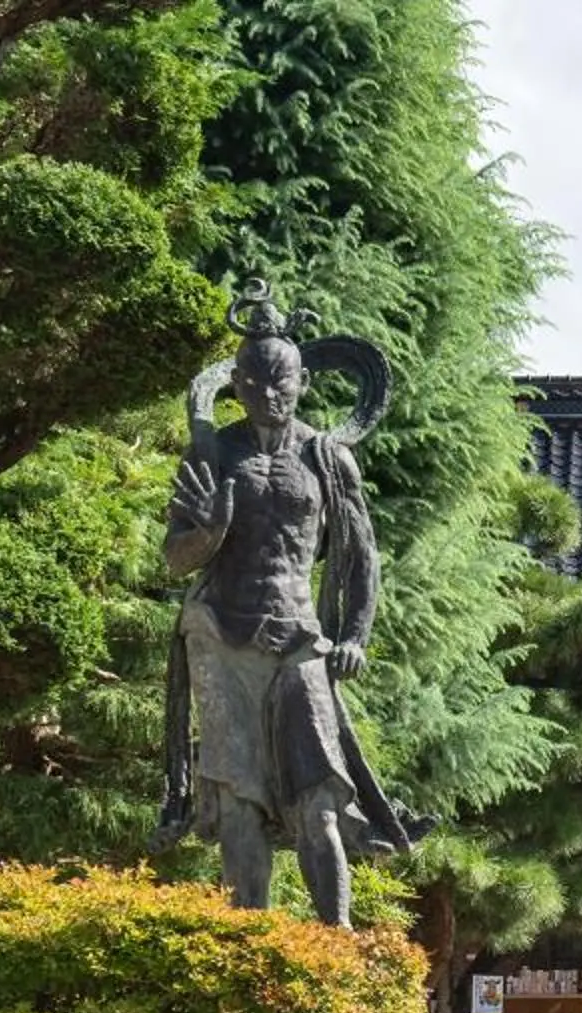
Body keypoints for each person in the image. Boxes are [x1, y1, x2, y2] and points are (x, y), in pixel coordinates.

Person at [159, 300, 424, 926]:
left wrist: (354, 634)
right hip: (222, 633)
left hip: (301, 633)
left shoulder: (329, 460)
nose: (267, 394)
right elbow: (175, 557)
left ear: (303, 383)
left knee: (320, 802)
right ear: (235, 387)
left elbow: (360, 558)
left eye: (280, 381)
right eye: (251, 383)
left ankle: (334, 948)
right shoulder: (212, 456)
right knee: (239, 806)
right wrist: (212, 531)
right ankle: (251, 946)